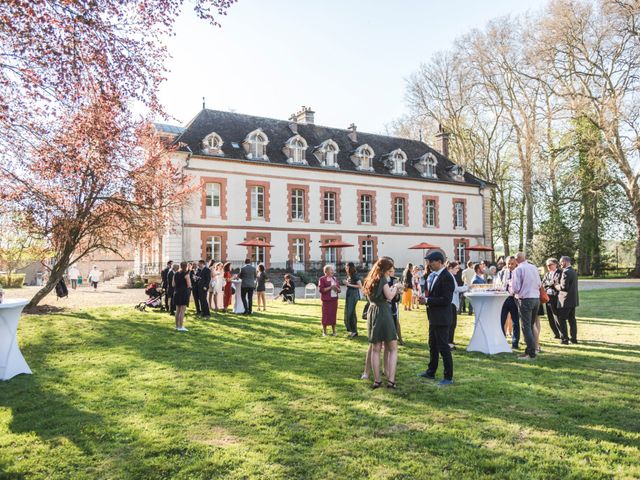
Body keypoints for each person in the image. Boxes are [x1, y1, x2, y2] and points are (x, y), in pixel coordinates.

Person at [419, 251, 456, 386]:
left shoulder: (447, 276)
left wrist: (428, 300)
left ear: (439, 262)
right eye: (428, 261)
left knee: (443, 347)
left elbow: (446, 300)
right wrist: (426, 298)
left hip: (442, 318)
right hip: (433, 317)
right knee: (432, 345)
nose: (429, 264)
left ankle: (448, 377)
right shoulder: (432, 275)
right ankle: (431, 371)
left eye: (431, 261)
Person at [363, 257, 400, 389]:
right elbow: (389, 296)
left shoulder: (370, 279)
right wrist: (396, 288)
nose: (391, 272)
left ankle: (377, 380)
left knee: (375, 348)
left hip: (372, 311)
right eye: (389, 270)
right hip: (383, 312)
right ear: (384, 269)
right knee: (393, 348)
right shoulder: (383, 279)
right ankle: (391, 381)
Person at [510, 252, 541, 360]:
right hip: (536, 298)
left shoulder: (517, 270)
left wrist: (510, 288)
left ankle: (531, 354)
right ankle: (529, 351)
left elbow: (515, 288)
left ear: (516, 260)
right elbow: (539, 284)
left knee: (526, 327)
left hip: (525, 299)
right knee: (530, 325)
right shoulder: (534, 267)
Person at [496, 256, 520, 349]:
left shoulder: (518, 272)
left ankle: (515, 343)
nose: (510, 265)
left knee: (515, 322)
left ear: (516, 263)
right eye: (508, 264)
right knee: (501, 321)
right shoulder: (501, 273)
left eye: (512, 264)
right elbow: (497, 284)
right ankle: (502, 342)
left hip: (515, 299)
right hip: (503, 299)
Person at [556, 256, 579, 344]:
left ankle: (565, 339)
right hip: (573, 300)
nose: (560, 264)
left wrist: (556, 286)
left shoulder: (565, 272)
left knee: (562, 319)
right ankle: (574, 338)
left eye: (561, 262)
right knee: (572, 320)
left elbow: (564, 287)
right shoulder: (573, 271)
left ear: (566, 262)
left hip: (565, 300)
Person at [446, 261, 468, 349]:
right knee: (452, 323)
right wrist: (465, 287)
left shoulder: (451, 276)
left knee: (453, 323)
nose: (458, 270)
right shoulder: (449, 276)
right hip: (451, 302)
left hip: (453, 302)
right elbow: (454, 289)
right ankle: (449, 341)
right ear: (450, 268)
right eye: (456, 268)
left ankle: (450, 340)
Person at [542, 258, 562, 339]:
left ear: (555, 264)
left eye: (550, 265)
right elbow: (543, 284)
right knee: (550, 316)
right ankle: (556, 334)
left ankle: (562, 333)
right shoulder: (547, 274)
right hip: (547, 297)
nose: (548, 267)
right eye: (547, 265)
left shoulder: (560, 273)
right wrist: (550, 284)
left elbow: (557, 284)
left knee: (556, 316)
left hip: (556, 297)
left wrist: (550, 284)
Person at [318, 265, 340, 336]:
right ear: (326, 271)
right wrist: (331, 287)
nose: (332, 271)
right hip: (326, 301)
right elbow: (321, 290)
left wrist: (336, 288)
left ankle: (334, 331)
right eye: (331, 270)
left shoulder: (335, 278)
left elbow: (339, 290)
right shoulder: (322, 279)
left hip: (334, 300)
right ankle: (324, 332)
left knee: (333, 315)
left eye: (332, 270)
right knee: (325, 316)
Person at [343, 262, 362, 338]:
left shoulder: (355, 275)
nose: (346, 269)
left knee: (350, 313)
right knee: (349, 312)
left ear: (350, 268)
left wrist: (348, 284)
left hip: (353, 295)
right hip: (350, 294)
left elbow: (360, 286)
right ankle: (353, 330)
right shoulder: (350, 275)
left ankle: (354, 331)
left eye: (347, 267)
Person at [172, 261, 191, 331]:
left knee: (177, 310)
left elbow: (173, 284)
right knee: (182, 310)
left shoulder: (176, 274)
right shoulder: (186, 274)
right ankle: (181, 326)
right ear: (186, 266)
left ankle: (177, 326)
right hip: (183, 293)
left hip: (176, 292)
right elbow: (189, 285)